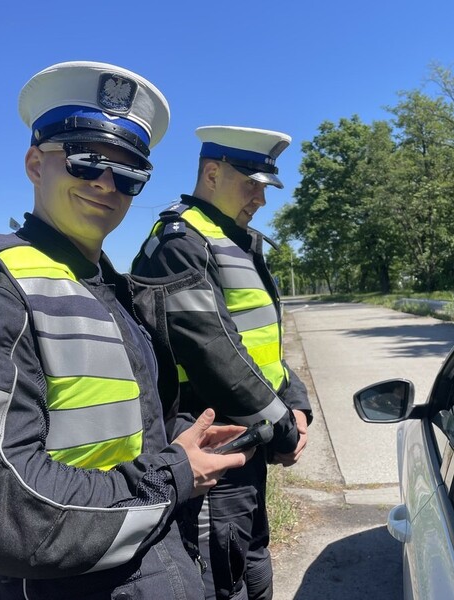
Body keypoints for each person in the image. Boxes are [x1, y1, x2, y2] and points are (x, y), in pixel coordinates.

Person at [0, 61, 253, 600]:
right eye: (86, 160)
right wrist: (172, 476)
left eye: (131, 172)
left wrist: (186, 438)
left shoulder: (110, 290)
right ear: (34, 164)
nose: (106, 184)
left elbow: (131, 430)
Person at [131, 126, 312, 600]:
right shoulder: (181, 242)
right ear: (211, 173)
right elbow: (216, 354)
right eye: (251, 183)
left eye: (264, 187)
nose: (261, 199)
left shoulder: (232, 239)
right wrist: (283, 426)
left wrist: (297, 403)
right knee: (222, 578)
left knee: (252, 567)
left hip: (251, 438)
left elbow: (262, 345)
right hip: (214, 444)